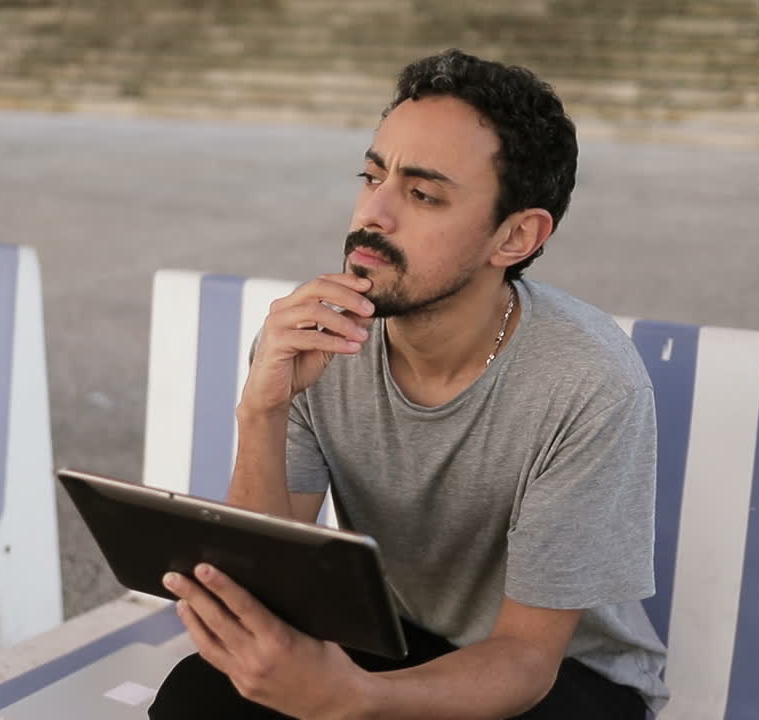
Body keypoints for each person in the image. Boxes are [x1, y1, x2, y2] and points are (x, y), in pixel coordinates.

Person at [149, 48, 668, 719]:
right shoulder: (315, 337)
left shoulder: (586, 381)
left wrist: (352, 698)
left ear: (514, 236)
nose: (375, 214)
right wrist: (262, 409)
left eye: (423, 194)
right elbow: (265, 589)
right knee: (198, 696)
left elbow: (526, 658)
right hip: (393, 636)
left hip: (567, 682)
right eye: (372, 176)